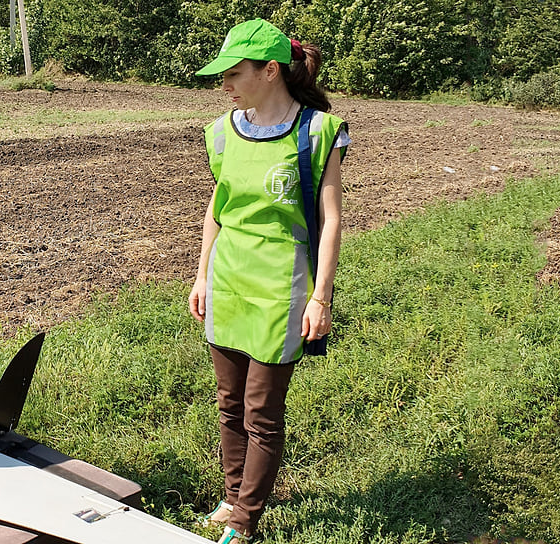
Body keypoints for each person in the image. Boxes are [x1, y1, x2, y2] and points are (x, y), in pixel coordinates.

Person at [187, 19, 349, 544]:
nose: (225, 86)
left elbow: (330, 222)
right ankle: (232, 497)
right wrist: (201, 275)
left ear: (270, 70)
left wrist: (320, 296)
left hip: (282, 288)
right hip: (228, 282)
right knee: (228, 403)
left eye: (234, 74)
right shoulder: (221, 132)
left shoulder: (319, 133)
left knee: (261, 409)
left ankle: (245, 520)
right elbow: (217, 207)